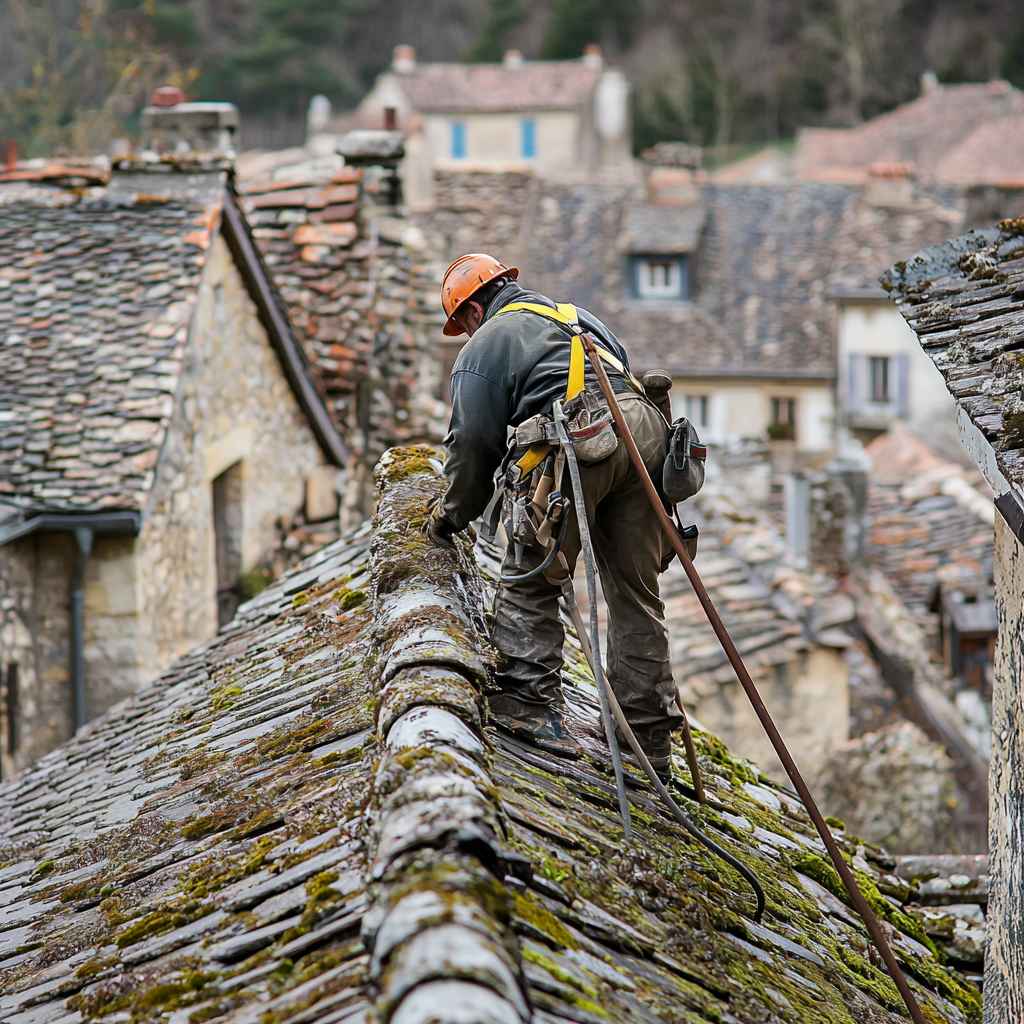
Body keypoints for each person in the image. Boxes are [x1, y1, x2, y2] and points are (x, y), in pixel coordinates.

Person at [426, 252, 685, 778]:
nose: (464, 334)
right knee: (637, 593)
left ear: (473, 310)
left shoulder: (485, 345)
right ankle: (648, 741)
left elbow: (473, 443)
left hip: (581, 437)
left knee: (532, 568)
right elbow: (619, 380)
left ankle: (527, 707)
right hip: (649, 436)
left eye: (462, 325)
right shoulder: (578, 317)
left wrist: (452, 515)